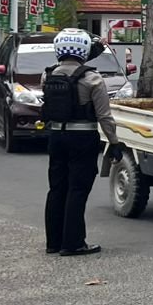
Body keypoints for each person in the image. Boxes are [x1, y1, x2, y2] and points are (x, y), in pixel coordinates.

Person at [42, 29, 119, 257]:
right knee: (78, 190)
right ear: (84, 50)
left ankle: (53, 242)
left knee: (57, 188)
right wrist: (114, 142)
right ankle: (74, 242)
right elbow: (104, 116)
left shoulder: (48, 75)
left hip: (56, 137)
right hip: (82, 139)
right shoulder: (93, 79)